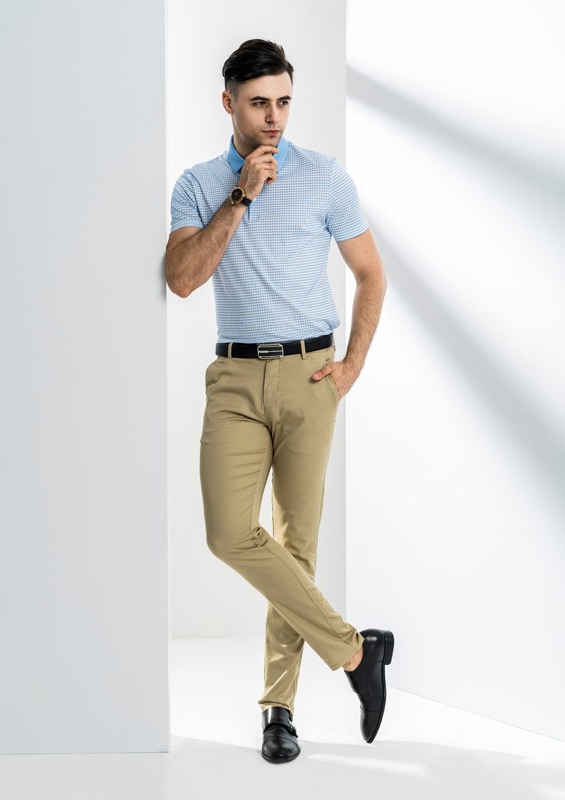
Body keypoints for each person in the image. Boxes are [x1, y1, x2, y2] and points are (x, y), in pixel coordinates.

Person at [165, 38, 394, 764]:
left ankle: (279, 709)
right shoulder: (198, 184)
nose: (274, 117)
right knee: (229, 533)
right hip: (234, 380)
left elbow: (370, 273)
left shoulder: (326, 177)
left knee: (297, 545)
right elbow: (182, 278)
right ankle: (357, 652)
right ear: (228, 102)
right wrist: (241, 195)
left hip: (310, 375)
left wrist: (352, 365)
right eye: (259, 103)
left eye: (284, 102)